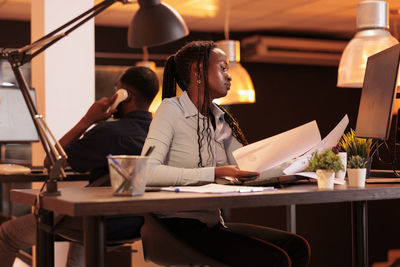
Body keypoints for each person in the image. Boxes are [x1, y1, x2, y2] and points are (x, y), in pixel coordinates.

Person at [141, 40, 310, 267]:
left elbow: (252, 167)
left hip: (213, 225)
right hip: (177, 228)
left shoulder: (220, 118)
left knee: (296, 248)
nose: (229, 76)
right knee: (274, 260)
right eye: (222, 67)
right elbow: (147, 173)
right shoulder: (171, 110)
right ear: (198, 72)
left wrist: (308, 160)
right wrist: (214, 172)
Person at [0, 66, 159, 267]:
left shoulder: (109, 133)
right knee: (85, 229)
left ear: (125, 96)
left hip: (103, 221)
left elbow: (51, 160)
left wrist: (88, 120)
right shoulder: (159, 133)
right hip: (141, 224)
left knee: (7, 235)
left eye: (116, 90)